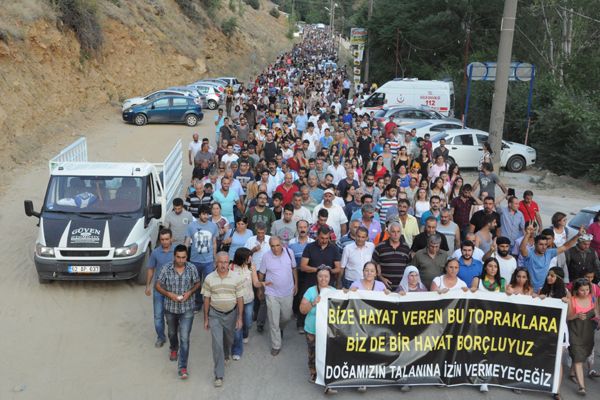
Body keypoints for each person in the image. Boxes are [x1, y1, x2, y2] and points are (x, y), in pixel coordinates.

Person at [155, 244, 201, 380]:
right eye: (178, 257)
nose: (181, 260)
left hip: (187, 308)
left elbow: (197, 283)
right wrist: (169, 294)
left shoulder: (192, 268)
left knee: (185, 338)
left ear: (187, 257)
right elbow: (157, 285)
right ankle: (174, 348)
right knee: (172, 333)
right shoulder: (166, 268)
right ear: (174, 256)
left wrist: (190, 292)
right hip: (170, 308)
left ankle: (183, 367)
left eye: (184, 257)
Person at [202, 252, 244, 387]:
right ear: (216, 263)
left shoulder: (236, 278)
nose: (223, 265)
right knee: (217, 345)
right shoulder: (209, 278)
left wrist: (239, 318)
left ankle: (227, 353)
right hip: (215, 315)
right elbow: (206, 299)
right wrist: (206, 318)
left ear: (229, 263)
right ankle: (219, 375)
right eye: (220, 262)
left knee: (229, 339)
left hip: (231, 315)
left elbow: (240, 299)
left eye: (226, 262)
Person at [259, 236, 298, 356]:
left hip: (287, 291)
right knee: (273, 321)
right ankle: (276, 345)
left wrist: (296, 284)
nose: (275, 248)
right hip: (271, 293)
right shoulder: (266, 256)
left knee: (287, 316)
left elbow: (294, 268)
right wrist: (260, 289)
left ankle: (281, 328)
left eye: (277, 245)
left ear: (282, 244)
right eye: (272, 246)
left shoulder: (289, 252)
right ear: (269, 246)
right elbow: (261, 273)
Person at [299, 266, 336, 389]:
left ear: (330, 278)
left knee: (328, 353)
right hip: (312, 329)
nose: (323, 279)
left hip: (328, 331)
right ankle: (313, 372)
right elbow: (302, 310)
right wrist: (313, 303)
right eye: (321, 276)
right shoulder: (310, 291)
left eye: (326, 276)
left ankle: (327, 375)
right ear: (317, 277)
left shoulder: (334, 291)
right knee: (313, 353)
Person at [520, 224, 584, 292]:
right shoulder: (530, 254)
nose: (544, 247)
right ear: (535, 244)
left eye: (545, 244)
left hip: (543, 290)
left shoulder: (548, 253)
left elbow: (565, 247)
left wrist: (578, 235)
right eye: (541, 244)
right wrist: (527, 234)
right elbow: (522, 249)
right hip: (528, 289)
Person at [299, 227, 342, 327]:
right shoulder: (310, 247)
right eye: (322, 238)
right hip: (311, 281)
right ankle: (302, 325)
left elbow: (338, 268)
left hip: (327, 283)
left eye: (327, 238)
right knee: (306, 302)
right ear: (317, 236)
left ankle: (324, 327)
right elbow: (303, 266)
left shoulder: (334, 248)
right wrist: (318, 270)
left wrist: (328, 271)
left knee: (326, 306)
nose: (324, 240)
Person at [567, 278, 600, 396]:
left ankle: (572, 373)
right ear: (576, 290)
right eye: (582, 290)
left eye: (587, 289)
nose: (585, 292)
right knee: (577, 356)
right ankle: (582, 387)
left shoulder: (592, 298)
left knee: (583, 354)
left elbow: (596, 311)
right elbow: (567, 318)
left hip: (588, 333)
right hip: (575, 332)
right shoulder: (572, 300)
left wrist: (597, 319)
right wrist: (576, 315)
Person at [230, 247, 263, 360]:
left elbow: (256, 282)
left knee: (248, 322)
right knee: (237, 326)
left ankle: (246, 333)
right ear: (242, 257)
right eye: (249, 256)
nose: (250, 258)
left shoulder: (251, 267)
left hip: (249, 300)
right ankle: (236, 350)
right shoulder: (231, 268)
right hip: (235, 301)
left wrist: (264, 284)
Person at [184, 204, 218, 311]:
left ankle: (210, 303)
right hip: (194, 260)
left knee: (209, 283)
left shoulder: (213, 226)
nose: (206, 216)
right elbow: (187, 242)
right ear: (199, 214)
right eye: (204, 214)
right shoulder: (191, 226)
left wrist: (215, 258)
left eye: (207, 214)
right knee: (196, 283)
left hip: (208, 261)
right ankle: (198, 303)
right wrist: (184, 257)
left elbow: (214, 243)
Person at [145, 228, 174, 348]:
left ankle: (173, 338)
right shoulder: (156, 253)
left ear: (171, 239)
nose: (165, 242)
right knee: (158, 316)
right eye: (162, 239)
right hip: (159, 290)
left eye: (167, 239)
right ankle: (161, 337)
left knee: (171, 317)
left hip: (173, 290)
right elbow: (151, 269)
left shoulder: (177, 252)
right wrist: (148, 286)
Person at [243, 222, 271, 333]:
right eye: (258, 232)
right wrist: (253, 250)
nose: (260, 235)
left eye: (262, 232)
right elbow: (243, 255)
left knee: (262, 296)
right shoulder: (250, 240)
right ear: (256, 231)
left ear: (266, 231)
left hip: (266, 271)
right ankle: (255, 313)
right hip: (253, 270)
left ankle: (260, 319)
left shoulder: (270, 240)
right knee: (254, 294)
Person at [289, 220, 314, 333]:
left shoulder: (313, 242)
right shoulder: (291, 242)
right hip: (295, 272)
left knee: (304, 296)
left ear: (308, 228)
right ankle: (295, 312)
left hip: (308, 273)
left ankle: (300, 323)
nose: (302, 229)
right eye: (300, 227)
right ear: (297, 228)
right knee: (296, 294)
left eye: (305, 227)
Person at [372, 222, 411, 290]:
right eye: (393, 232)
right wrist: (381, 278)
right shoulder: (380, 247)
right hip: (383, 287)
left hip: (401, 288)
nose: (396, 234)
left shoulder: (406, 248)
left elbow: (409, 267)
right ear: (389, 233)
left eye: (398, 232)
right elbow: (373, 265)